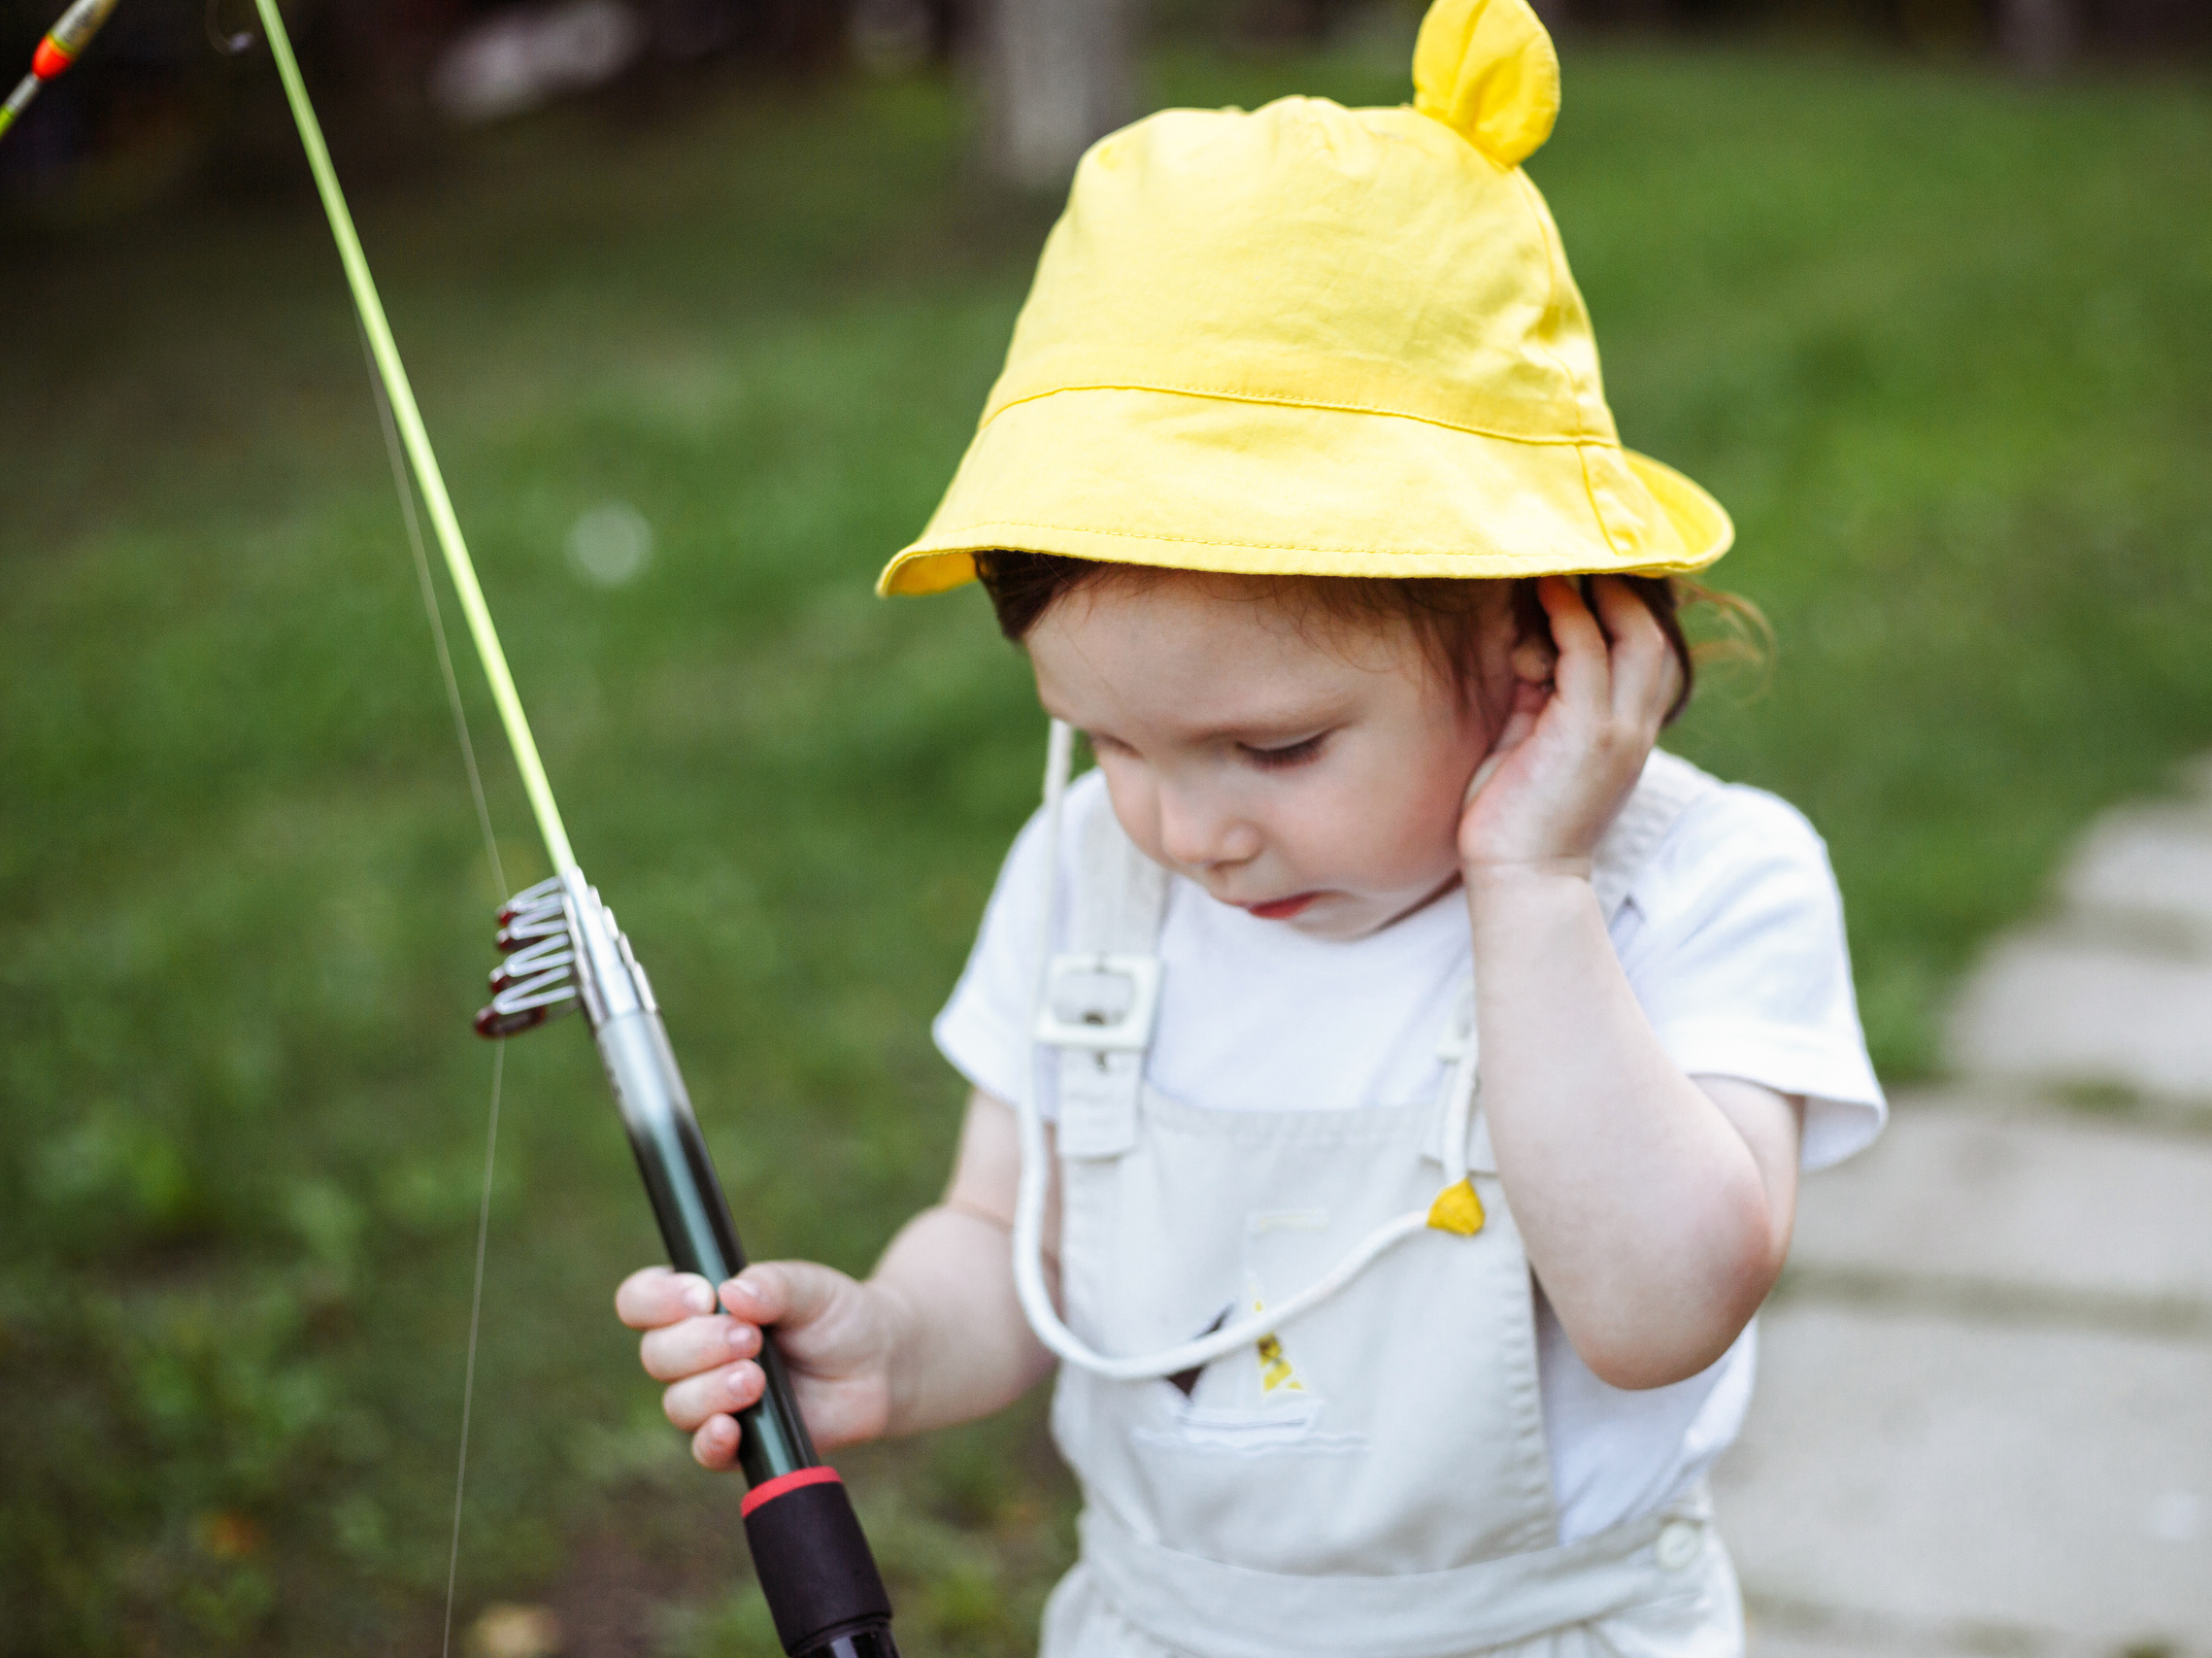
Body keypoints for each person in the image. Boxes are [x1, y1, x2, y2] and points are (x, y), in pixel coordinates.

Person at [617, 0, 1884, 1648]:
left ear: (1544, 635)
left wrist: (1533, 878)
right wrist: (891, 1341)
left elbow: (1657, 1315)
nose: (1186, 830)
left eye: (1274, 748)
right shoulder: (1086, 881)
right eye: (1106, 742)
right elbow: (1008, 1234)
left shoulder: (1697, 892)